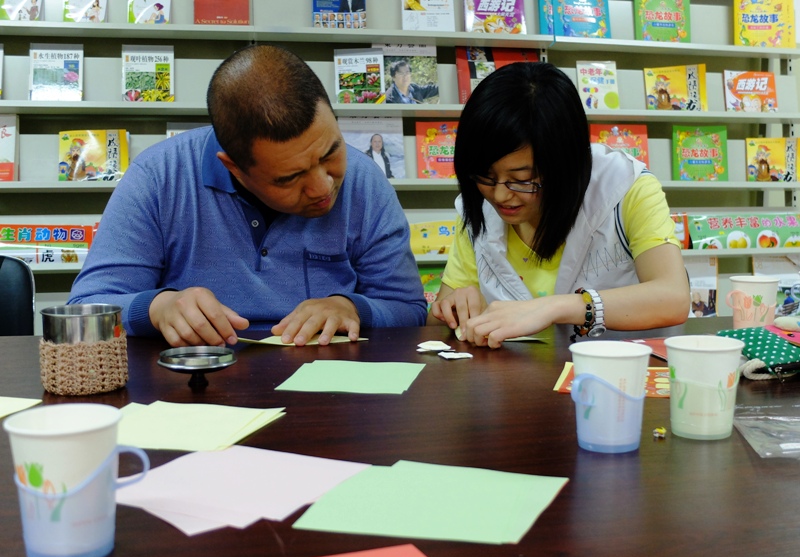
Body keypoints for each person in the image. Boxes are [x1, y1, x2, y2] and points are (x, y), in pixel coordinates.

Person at [68, 44, 427, 348]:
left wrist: (353, 308)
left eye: (330, 153)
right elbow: (85, 309)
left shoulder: (365, 181)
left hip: (331, 385)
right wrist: (156, 308)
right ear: (233, 167)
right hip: (195, 387)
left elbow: (408, 308)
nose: (323, 187)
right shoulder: (158, 177)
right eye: (290, 178)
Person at [428, 62, 689, 348]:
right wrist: (454, 310)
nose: (500, 195)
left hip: (618, 368)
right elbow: (434, 326)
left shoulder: (625, 187)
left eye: (522, 180)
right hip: (517, 373)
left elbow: (673, 298)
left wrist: (555, 308)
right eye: (485, 176)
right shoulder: (479, 206)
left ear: (565, 166)